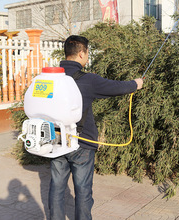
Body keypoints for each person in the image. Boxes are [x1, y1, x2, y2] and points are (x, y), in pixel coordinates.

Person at [48, 35, 143, 220]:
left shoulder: (50, 78)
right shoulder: (88, 80)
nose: (88, 57)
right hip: (81, 143)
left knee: (56, 188)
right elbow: (116, 87)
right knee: (83, 191)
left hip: (56, 141)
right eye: (87, 53)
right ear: (81, 53)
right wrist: (135, 84)